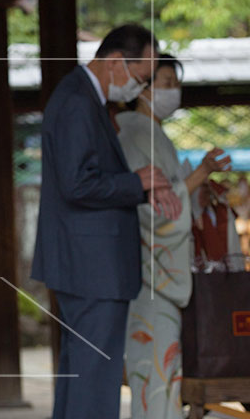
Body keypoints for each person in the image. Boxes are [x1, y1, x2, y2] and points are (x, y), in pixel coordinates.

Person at [32, 24, 177, 419]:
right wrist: (136, 182)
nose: (138, 87)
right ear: (115, 62)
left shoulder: (82, 98)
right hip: (91, 265)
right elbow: (77, 183)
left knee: (83, 375)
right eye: (140, 78)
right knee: (95, 380)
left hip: (87, 262)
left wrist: (138, 187)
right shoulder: (77, 101)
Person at [116, 54, 234, 419]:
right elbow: (154, 211)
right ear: (142, 88)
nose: (174, 91)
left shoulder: (153, 133)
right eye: (165, 83)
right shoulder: (134, 133)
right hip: (150, 274)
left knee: (163, 374)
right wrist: (200, 174)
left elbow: (175, 202)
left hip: (161, 273)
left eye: (175, 83)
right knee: (155, 373)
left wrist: (200, 192)